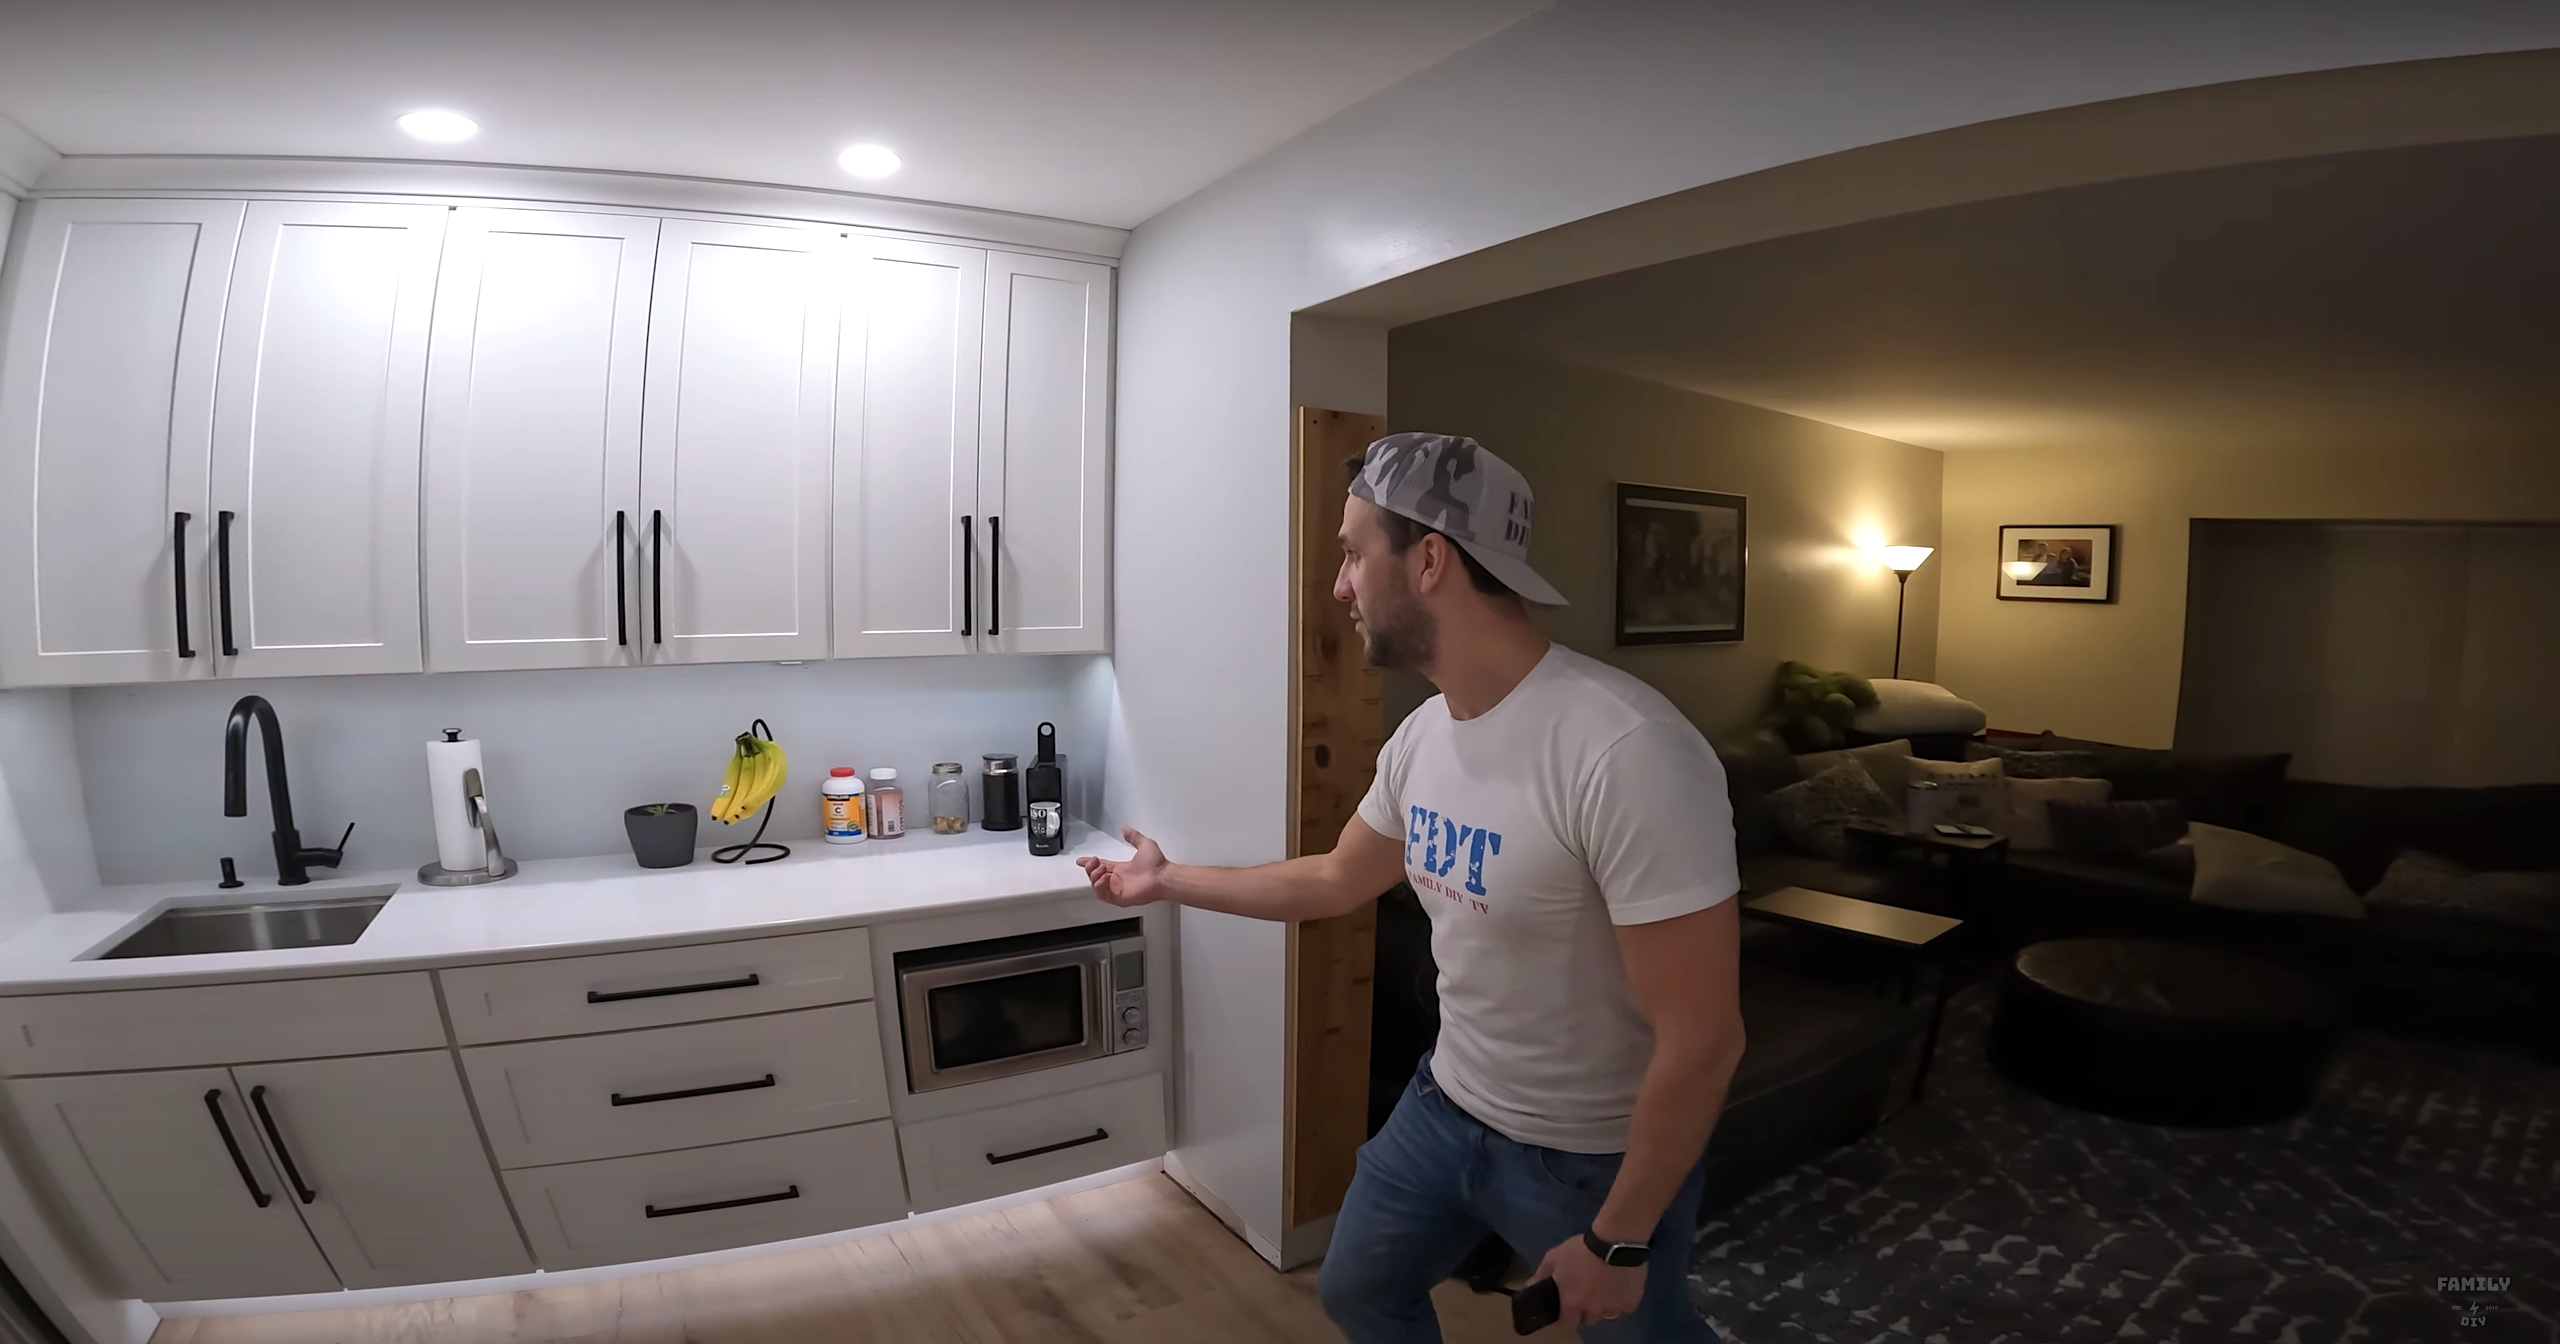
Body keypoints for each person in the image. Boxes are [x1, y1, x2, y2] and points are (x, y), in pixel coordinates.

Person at [1079, 433, 1745, 1342]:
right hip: (1446, 1108)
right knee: (1357, 1292)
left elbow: (1704, 1036)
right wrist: (1164, 881)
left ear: (1429, 558)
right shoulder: (1426, 736)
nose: (1341, 585)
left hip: (1588, 1157)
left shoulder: (1626, 752)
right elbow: (1336, 877)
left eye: (1354, 552)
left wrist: (1620, 1240)